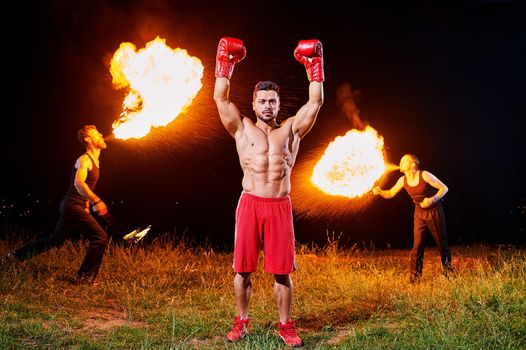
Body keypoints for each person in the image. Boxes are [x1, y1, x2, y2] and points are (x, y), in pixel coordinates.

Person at [213, 37, 324, 347]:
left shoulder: (291, 130)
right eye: (262, 100)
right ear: (253, 103)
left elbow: (315, 103)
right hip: (249, 203)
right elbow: (221, 100)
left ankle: (286, 326)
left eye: (272, 101)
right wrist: (225, 64)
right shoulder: (241, 128)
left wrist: (315, 67)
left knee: (282, 273)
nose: (267, 105)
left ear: (279, 103)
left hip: (279, 205)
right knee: (243, 270)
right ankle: (242, 322)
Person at [4, 125, 109, 285]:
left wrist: (87, 205)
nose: (101, 134)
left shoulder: (96, 161)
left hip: (75, 206)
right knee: (100, 236)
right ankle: (84, 278)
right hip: (72, 205)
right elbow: (79, 183)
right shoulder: (84, 159)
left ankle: (14, 257)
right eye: (97, 133)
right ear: (88, 139)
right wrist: (97, 201)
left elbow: (86, 186)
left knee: (55, 240)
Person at [372, 154, 452, 283]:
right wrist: (381, 192)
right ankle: (415, 279)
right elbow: (390, 193)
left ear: (413, 164)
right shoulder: (402, 180)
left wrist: (432, 199)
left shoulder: (425, 175)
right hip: (419, 214)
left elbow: (444, 188)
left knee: (442, 245)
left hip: (434, 212)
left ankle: (449, 275)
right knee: (417, 246)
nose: (400, 162)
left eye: (404, 161)